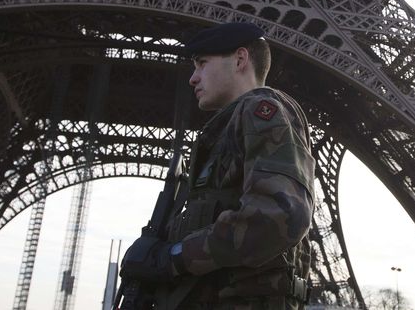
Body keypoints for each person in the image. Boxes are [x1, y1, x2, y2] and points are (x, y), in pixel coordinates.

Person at [120, 22, 316, 309]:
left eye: (202, 64)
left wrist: (172, 256)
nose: (193, 78)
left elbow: (278, 218)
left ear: (239, 60)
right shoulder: (227, 129)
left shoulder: (261, 111)